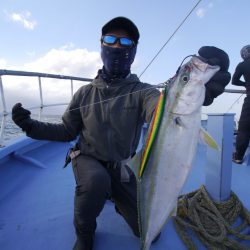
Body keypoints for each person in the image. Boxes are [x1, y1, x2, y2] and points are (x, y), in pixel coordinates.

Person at [12, 16, 231, 250]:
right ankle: (85, 233)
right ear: (102, 45)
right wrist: (31, 126)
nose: (116, 46)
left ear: (133, 51)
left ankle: (116, 196)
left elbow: (160, 112)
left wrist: (193, 94)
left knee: (149, 232)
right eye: (110, 39)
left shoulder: (142, 92)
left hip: (122, 166)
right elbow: (67, 131)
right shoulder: (85, 93)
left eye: (125, 42)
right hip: (88, 159)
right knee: (96, 180)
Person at [232, 45, 250, 164]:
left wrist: (246, 83)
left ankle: (238, 157)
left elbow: (234, 81)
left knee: (244, 128)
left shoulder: (242, 65)